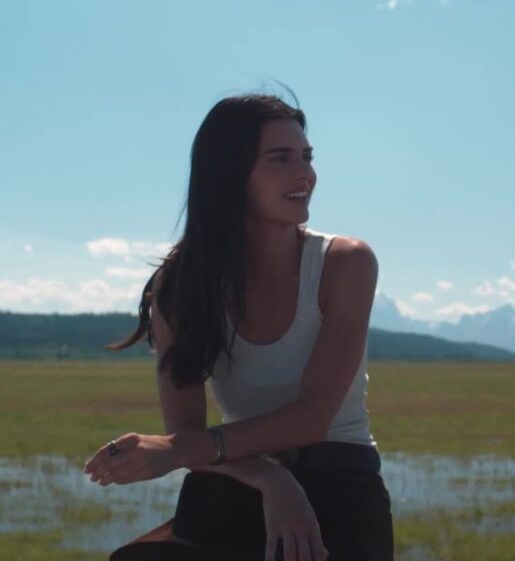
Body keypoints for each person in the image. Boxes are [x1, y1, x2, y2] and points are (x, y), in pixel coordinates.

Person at [83, 94, 393, 561]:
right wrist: (269, 477)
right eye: (280, 159)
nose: (305, 174)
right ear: (230, 174)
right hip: (235, 482)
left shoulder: (345, 264)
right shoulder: (181, 285)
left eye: (307, 157)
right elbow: (184, 431)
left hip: (340, 486)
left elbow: (312, 418)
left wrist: (176, 450)